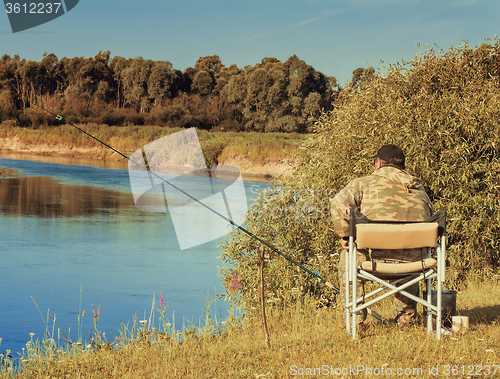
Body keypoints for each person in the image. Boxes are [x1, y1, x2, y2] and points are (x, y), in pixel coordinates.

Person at [329, 144, 433, 326]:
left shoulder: (361, 184)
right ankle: (406, 318)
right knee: (410, 250)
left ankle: (356, 320)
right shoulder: (419, 189)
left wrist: (345, 236)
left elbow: (338, 205)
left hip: (372, 261)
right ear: (402, 167)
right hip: (415, 265)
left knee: (348, 256)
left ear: (378, 164)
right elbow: (431, 217)